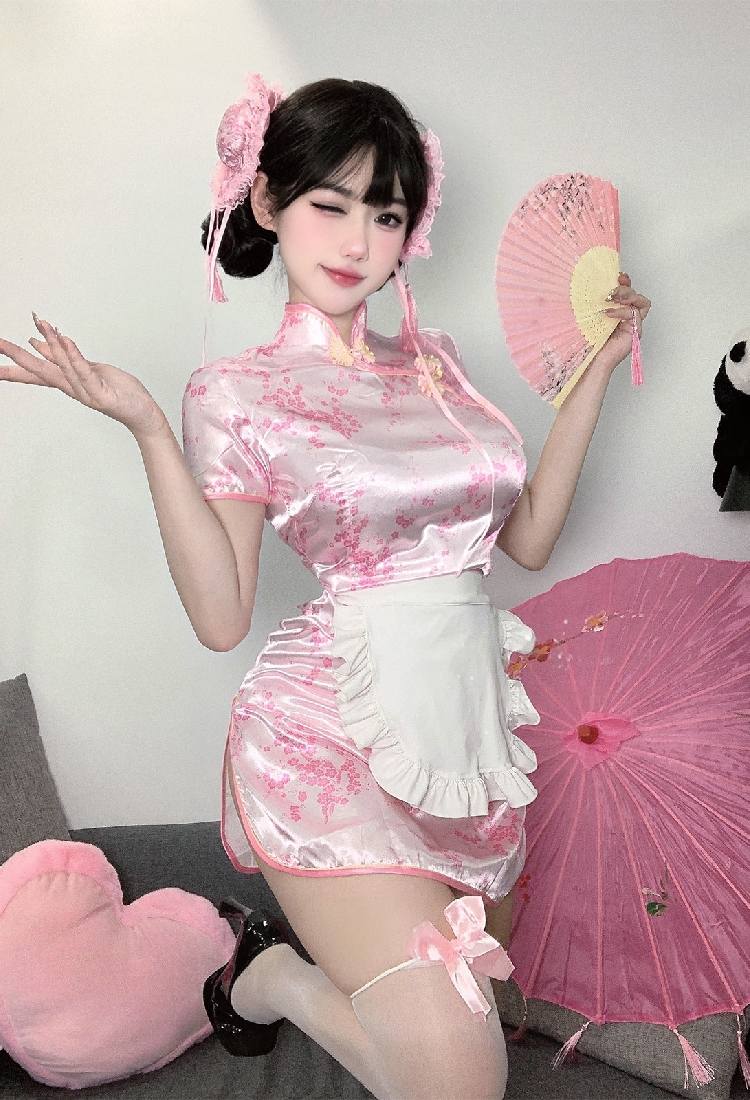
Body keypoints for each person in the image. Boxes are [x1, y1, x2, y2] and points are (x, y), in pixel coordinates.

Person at [0, 75, 650, 1100]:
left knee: (460, 1045)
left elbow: (525, 537)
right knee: (459, 1080)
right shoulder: (240, 392)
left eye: (385, 214)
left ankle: (265, 974)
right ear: (267, 201)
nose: (357, 241)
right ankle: (282, 983)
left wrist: (598, 368)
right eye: (329, 203)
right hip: (328, 734)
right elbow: (222, 616)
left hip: (467, 730)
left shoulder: (438, 366)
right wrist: (148, 426)